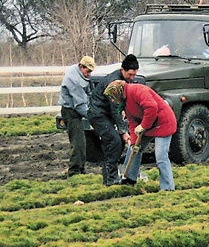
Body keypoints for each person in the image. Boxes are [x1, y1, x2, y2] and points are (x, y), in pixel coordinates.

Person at [103, 80, 176, 190]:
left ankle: (168, 188)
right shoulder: (125, 103)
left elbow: (152, 108)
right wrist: (133, 142)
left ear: (118, 92)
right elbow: (132, 123)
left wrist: (143, 126)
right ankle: (129, 179)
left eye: (113, 97)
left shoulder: (137, 90)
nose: (113, 100)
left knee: (161, 156)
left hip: (163, 122)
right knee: (134, 149)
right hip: (148, 124)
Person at [88, 54, 144, 186]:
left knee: (117, 143)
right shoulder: (114, 83)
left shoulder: (125, 80)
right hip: (98, 114)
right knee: (114, 141)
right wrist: (124, 131)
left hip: (106, 114)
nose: (132, 78)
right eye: (130, 74)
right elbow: (115, 109)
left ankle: (109, 177)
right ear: (122, 70)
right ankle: (111, 178)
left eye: (134, 75)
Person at [58, 55, 95, 177]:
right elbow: (79, 104)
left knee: (81, 142)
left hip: (76, 109)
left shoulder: (80, 74)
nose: (89, 74)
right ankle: (74, 171)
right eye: (88, 71)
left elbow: (89, 92)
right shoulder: (74, 80)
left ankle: (81, 168)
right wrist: (93, 118)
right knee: (78, 142)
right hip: (71, 111)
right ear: (81, 67)